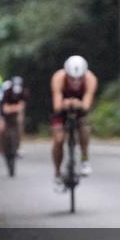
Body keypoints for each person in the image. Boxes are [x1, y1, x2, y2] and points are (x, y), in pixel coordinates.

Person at [50, 56, 98, 185]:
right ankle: (57, 171)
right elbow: (56, 105)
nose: (76, 82)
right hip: (62, 110)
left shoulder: (91, 79)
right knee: (58, 139)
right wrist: (65, 104)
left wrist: (78, 104)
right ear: (66, 74)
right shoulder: (58, 78)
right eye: (72, 78)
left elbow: (87, 105)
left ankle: (84, 158)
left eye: (79, 78)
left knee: (84, 129)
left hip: (80, 109)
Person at [0, 76, 27, 157]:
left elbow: (21, 107)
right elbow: (4, 109)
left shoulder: (23, 92)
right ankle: (3, 147)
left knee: (19, 128)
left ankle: (17, 147)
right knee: (2, 129)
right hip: (3, 113)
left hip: (15, 114)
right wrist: (1, 119)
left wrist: (19, 115)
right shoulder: (6, 93)